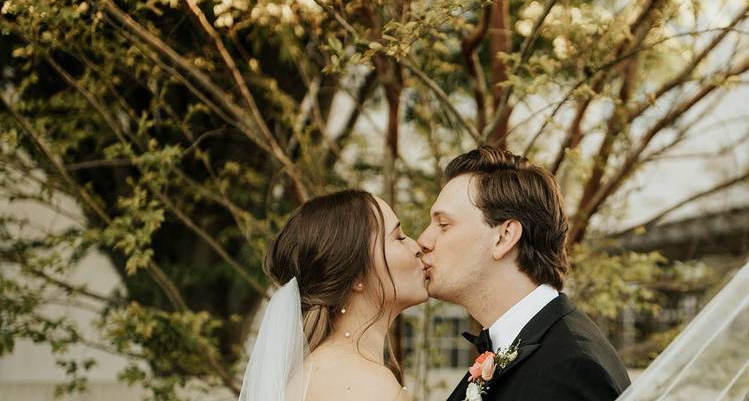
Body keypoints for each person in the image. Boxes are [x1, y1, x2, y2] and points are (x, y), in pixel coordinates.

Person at [418, 146, 631, 401]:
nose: (423, 240)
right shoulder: (518, 348)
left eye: (443, 225)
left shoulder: (572, 370)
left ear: (504, 237)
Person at [239, 189, 427, 401]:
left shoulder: (313, 372)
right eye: (399, 237)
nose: (417, 246)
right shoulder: (368, 386)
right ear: (356, 276)